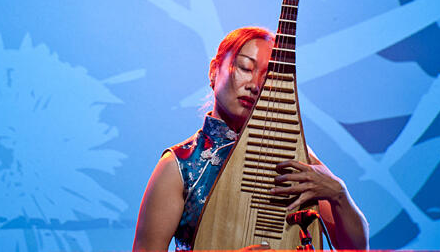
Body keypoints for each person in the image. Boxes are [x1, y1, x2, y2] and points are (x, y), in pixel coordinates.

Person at [133, 27, 369, 251]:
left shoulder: (295, 154)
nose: (255, 85)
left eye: (267, 77)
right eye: (245, 68)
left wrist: (339, 193)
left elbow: (357, 249)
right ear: (214, 71)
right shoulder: (180, 164)